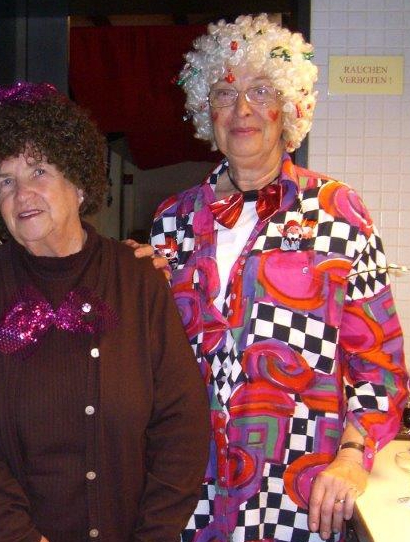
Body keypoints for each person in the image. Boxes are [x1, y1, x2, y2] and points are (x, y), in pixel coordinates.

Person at [148, 13, 408, 542]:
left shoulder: (337, 211)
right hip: (188, 486)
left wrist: (353, 456)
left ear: (289, 107)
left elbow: (380, 365)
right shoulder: (172, 220)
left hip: (297, 489)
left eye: (261, 90)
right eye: (224, 93)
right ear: (205, 111)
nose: (242, 109)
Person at [0, 90, 211, 542]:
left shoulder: (136, 279)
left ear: (79, 183)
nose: (22, 194)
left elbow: (182, 423)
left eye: (39, 171)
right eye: (5, 181)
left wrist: (154, 535)